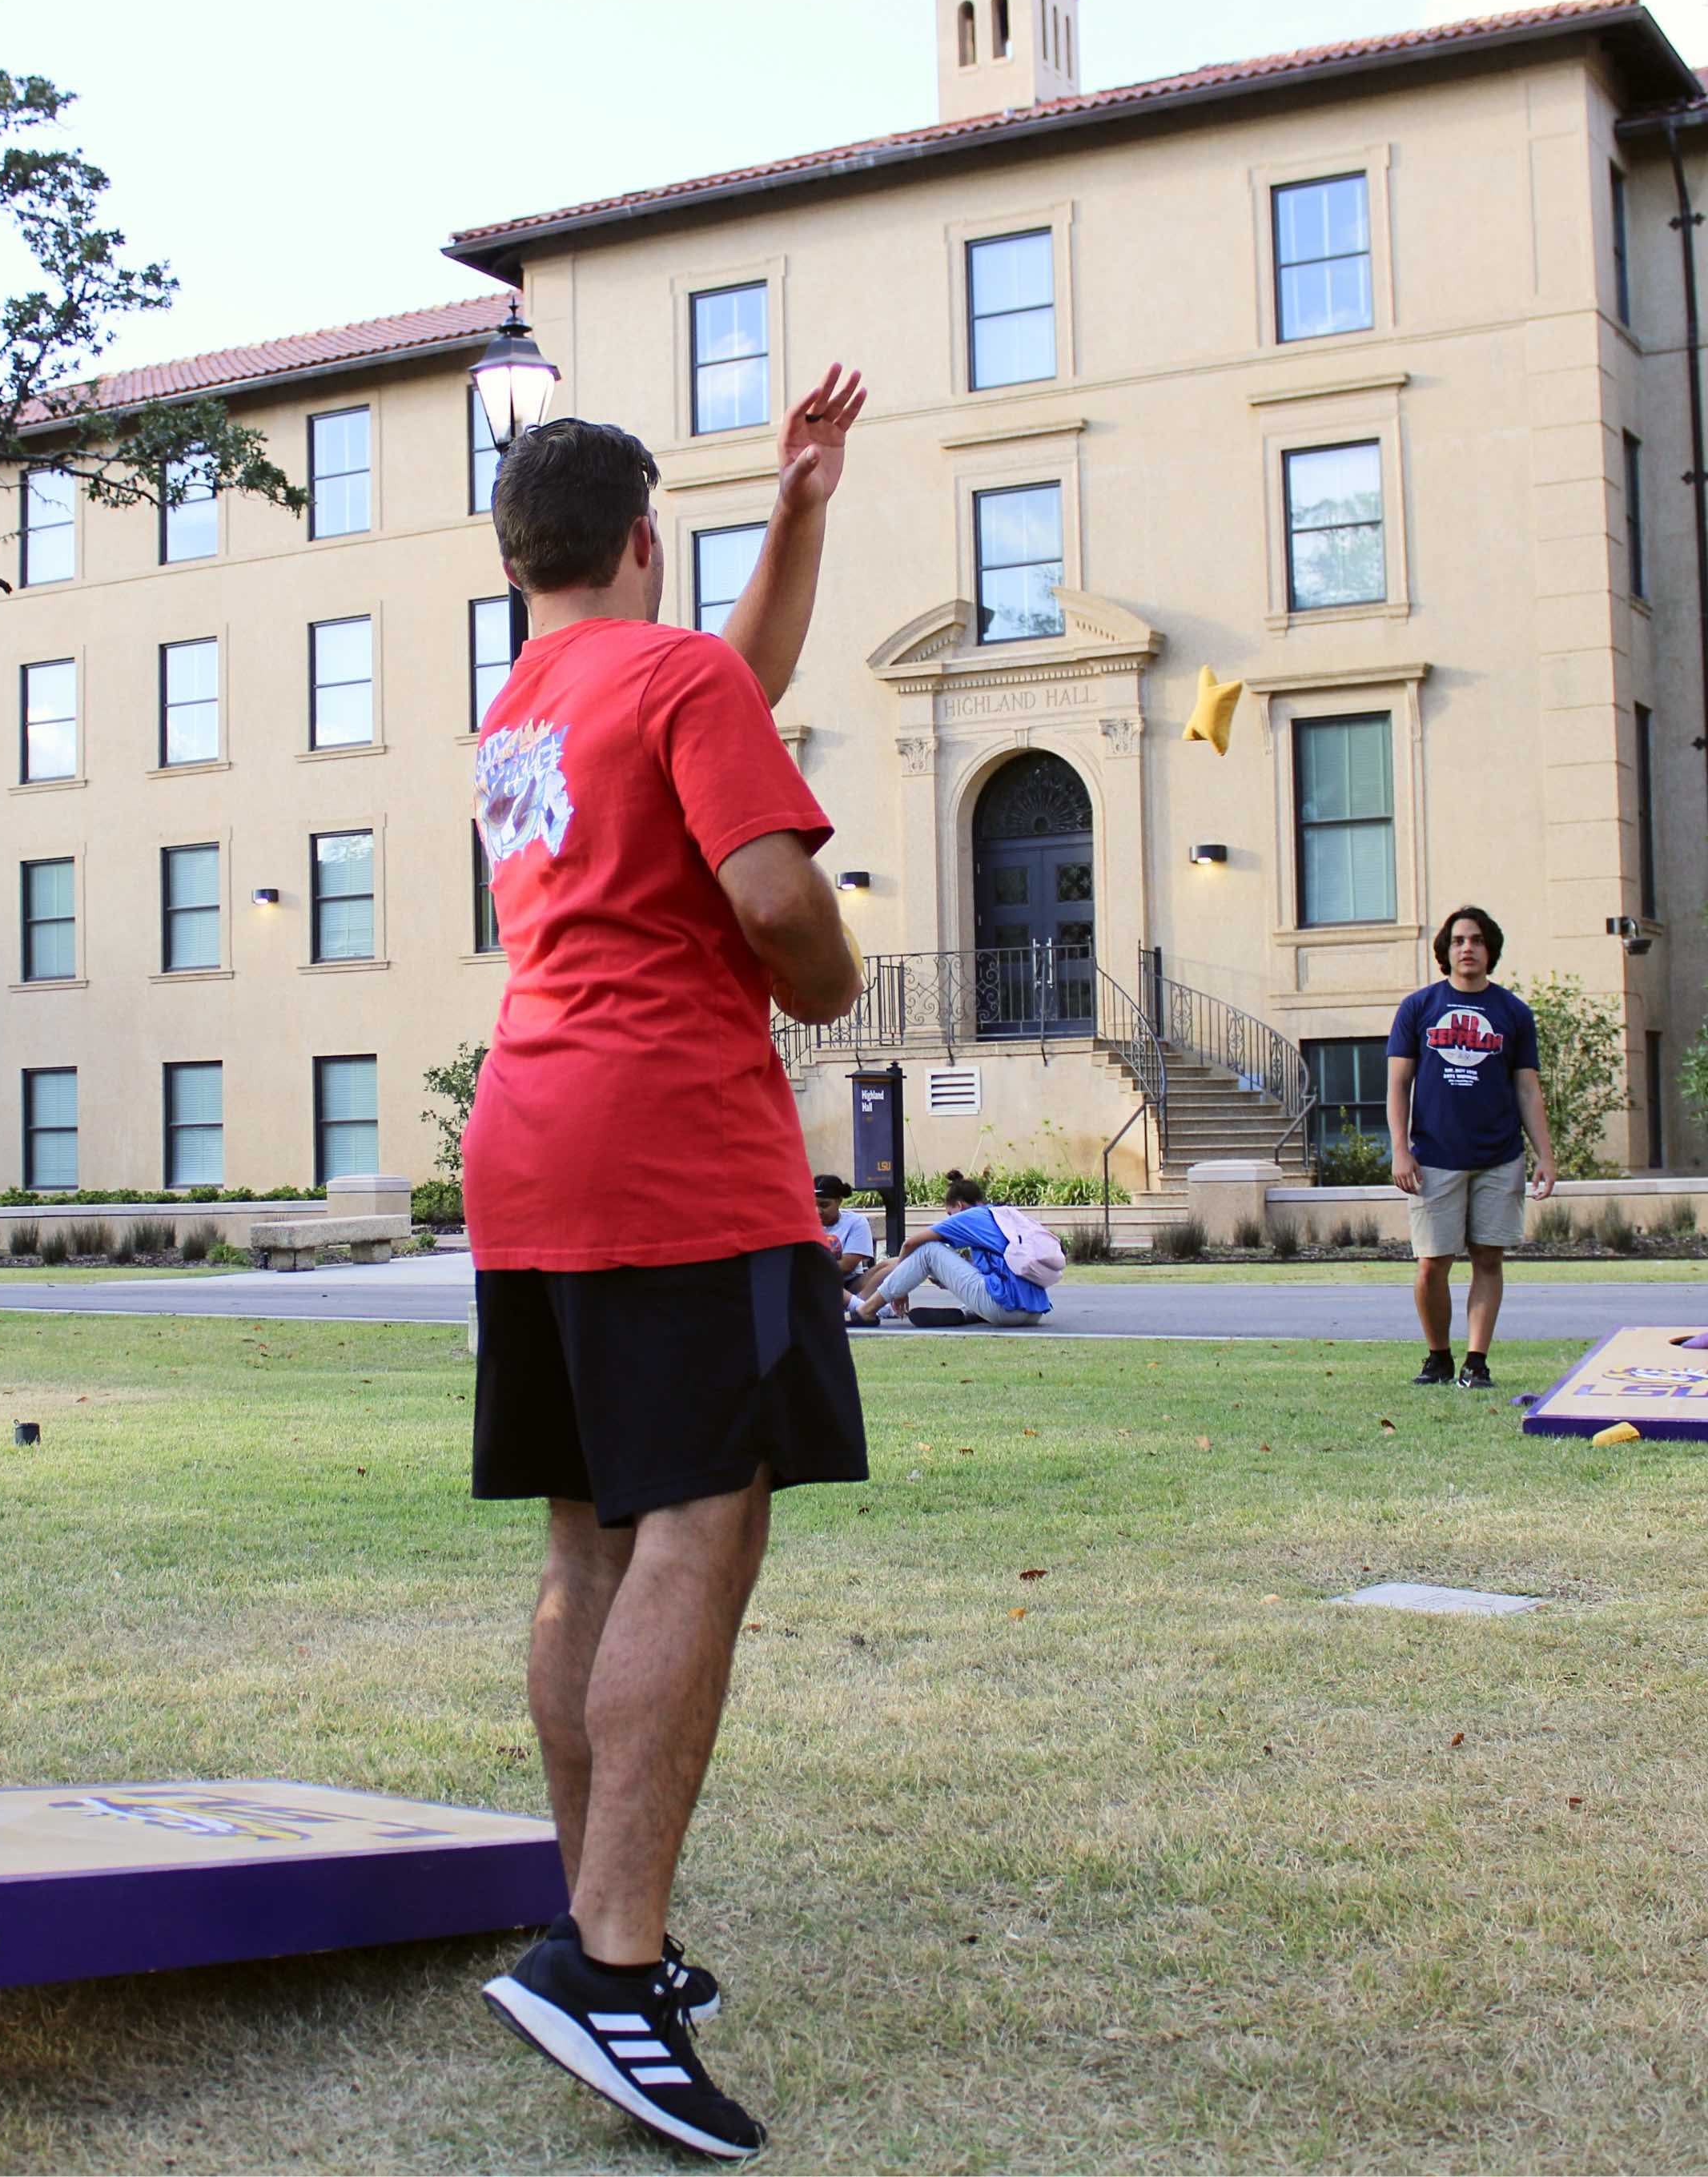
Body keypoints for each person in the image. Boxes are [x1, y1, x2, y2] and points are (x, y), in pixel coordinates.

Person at [466, 371, 869, 2162]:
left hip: (530, 1139)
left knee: (590, 1538)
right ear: (642, 538)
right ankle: (609, 1966)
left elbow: (731, 688)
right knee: (703, 1523)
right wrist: (830, 987)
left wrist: (797, 516)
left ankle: (584, 1918)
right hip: (672, 1150)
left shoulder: (529, 706)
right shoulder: (673, 679)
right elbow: (777, 902)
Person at [1387, 906, 1557, 1389]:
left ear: (1490, 951)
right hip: (1434, 1157)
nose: (1468, 948)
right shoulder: (1419, 1008)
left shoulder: (1513, 1013)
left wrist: (1544, 1155)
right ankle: (1438, 1357)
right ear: (1446, 950)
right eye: (1460, 940)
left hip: (1499, 1157)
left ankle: (1476, 1363)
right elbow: (1398, 1085)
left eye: (1478, 940)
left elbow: (1528, 1089)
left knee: (1488, 1259)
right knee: (1432, 1264)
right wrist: (1401, 1149)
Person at [846, 1171, 1053, 1327]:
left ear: (960, 1206)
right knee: (970, 1271)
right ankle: (970, 1313)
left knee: (929, 1250)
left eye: (949, 1213)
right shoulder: (1002, 1214)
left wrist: (903, 1286)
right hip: (1033, 1311)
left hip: (1004, 1308)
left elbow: (911, 1244)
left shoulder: (969, 1216)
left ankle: (866, 1310)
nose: (949, 1219)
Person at [814, 1173, 876, 1288]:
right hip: (811, 1284)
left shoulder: (856, 1222)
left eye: (824, 1205)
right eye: (812, 1204)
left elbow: (846, 1266)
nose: (818, 1211)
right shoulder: (803, 1224)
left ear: (839, 1201)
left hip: (848, 1284)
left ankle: (857, 1305)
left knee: (888, 1267)